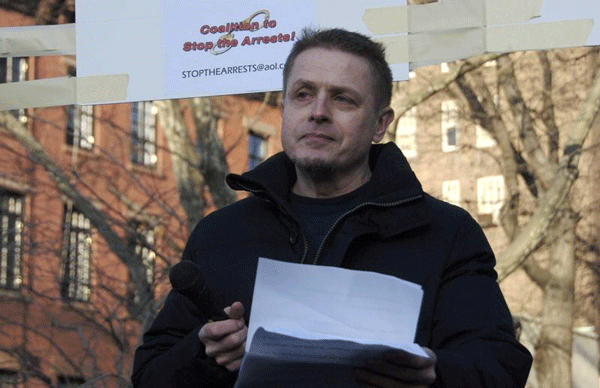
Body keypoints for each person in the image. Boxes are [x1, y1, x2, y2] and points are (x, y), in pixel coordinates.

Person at [132, 28, 532, 387]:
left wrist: (436, 373)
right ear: (285, 108)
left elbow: (500, 364)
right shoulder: (220, 233)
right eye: (303, 94)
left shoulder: (446, 232)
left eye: (342, 99)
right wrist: (204, 356)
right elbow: (150, 375)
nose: (318, 111)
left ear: (380, 124)